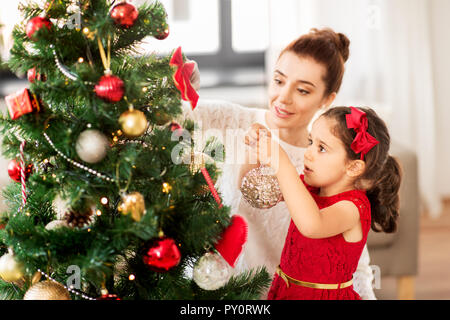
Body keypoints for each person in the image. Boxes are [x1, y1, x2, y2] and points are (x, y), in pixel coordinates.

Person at [179, 28, 376, 299]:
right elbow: (166, 116)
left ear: (328, 99)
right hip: (213, 288)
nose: (283, 97)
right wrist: (180, 83)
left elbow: (352, 258)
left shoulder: (324, 164)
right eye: (279, 81)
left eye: (303, 90)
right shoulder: (230, 121)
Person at [242, 106, 401, 299]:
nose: (308, 153)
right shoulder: (308, 189)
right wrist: (255, 148)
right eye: (310, 142)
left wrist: (281, 162)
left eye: (321, 148)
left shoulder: (353, 208)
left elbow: (312, 225)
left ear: (353, 167)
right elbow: (254, 192)